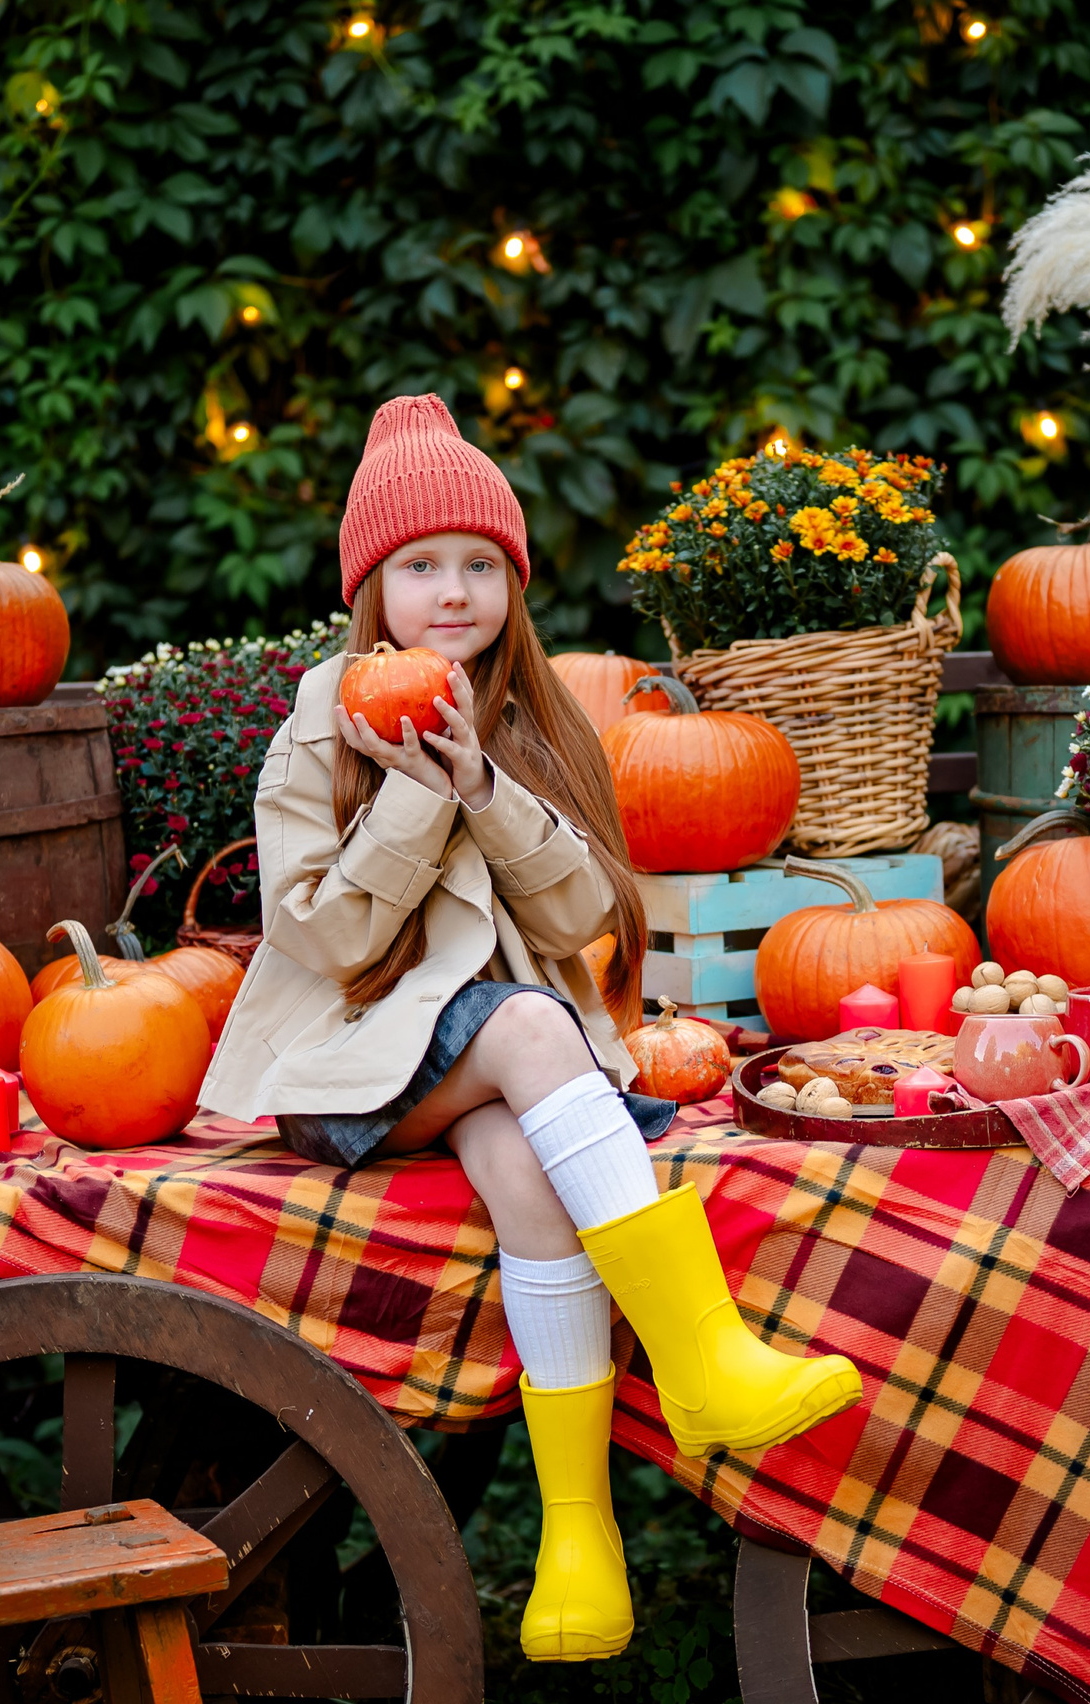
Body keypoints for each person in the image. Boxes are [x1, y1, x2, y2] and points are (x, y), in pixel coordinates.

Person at [202, 394, 860, 1661]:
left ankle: (577, 1536)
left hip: (489, 1063)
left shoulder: (541, 714)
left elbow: (583, 911)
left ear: (511, 578)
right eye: (418, 567)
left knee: (521, 1166)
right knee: (526, 1034)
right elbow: (323, 942)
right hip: (351, 1071)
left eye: (478, 566)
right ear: (371, 590)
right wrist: (406, 803)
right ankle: (702, 1352)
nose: (450, 593)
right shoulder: (317, 725)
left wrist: (484, 789)